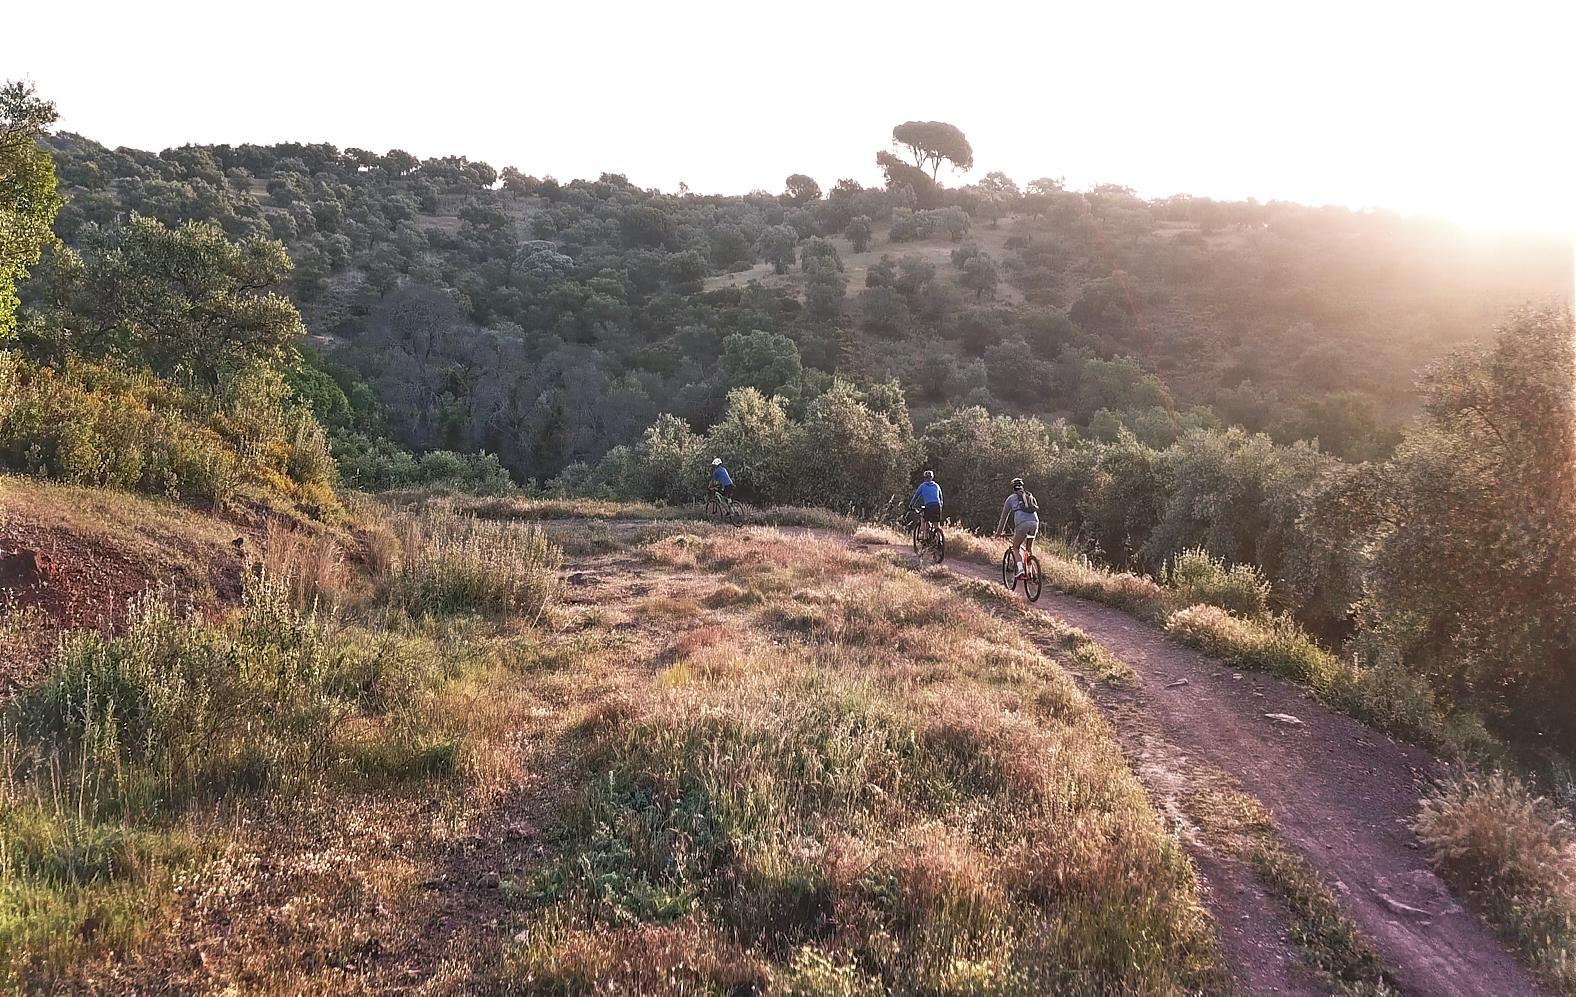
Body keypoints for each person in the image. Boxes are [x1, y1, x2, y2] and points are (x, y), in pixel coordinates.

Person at [996, 477, 1040, 578]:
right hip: (1035, 522)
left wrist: (998, 533)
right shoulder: (1029, 495)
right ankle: (1033, 573)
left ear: (1013, 488)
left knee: (1015, 547)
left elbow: (1004, 517)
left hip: (1022, 524)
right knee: (1029, 549)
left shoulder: (1011, 498)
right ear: (1022, 487)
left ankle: (1020, 569)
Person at [909, 470, 943, 543]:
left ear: (924, 478)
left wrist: (911, 504)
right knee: (936, 525)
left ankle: (925, 539)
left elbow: (916, 496)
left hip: (929, 506)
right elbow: (941, 497)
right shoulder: (937, 485)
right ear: (932, 478)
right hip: (937, 506)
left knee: (924, 520)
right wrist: (940, 505)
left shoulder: (922, 486)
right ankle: (940, 540)